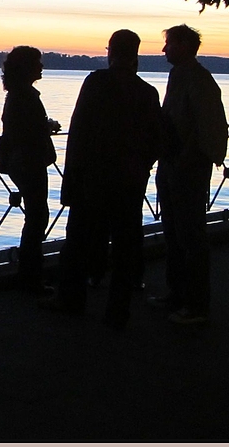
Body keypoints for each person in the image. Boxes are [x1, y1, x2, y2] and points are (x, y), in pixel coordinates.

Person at [44, 30, 162, 329]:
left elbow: (79, 133)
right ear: (135, 54)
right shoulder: (147, 92)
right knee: (124, 246)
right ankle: (118, 311)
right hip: (130, 182)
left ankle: (71, 299)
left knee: (79, 242)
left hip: (93, 179)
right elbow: (155, 139)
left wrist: (70, 181)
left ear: (111, 52)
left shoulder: (96, 83)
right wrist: (142, 167)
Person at [152, 24, 228, 325]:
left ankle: (196, 304)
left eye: (169, 43)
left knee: (190, 235)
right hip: (173, 165)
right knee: (174, 232)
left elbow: (208, 127)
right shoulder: (180, 76)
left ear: (184, 45)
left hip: (187, 168)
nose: (164, 49)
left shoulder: (199, 80)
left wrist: (187, 159)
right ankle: (178, 294)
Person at [0, 46, 60, 294]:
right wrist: (47, 127)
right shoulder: (25, 96)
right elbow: (28, 130)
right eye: (38, 63)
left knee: (36, 216)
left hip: (21, 161)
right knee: (37, 217)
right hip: (29, 161)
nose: (41, 67)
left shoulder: (17, 94)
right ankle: (30, 275)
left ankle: (30, 273)